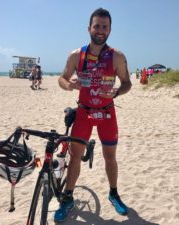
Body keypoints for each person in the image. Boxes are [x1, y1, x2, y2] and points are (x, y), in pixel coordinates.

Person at [55, 8, 132, 222]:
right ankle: (68, 197)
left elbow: (127, 84)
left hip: (107, 114)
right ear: (89, 28)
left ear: (110, 30)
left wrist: (117, 91)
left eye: (104, 27)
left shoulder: (117, 56)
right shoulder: (75, 55)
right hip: (84, 112)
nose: (100, 30)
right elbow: (62, 78)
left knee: (110, 157)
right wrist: (69, 85)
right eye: (96, 26)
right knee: (75, 156)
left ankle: (114, 194)